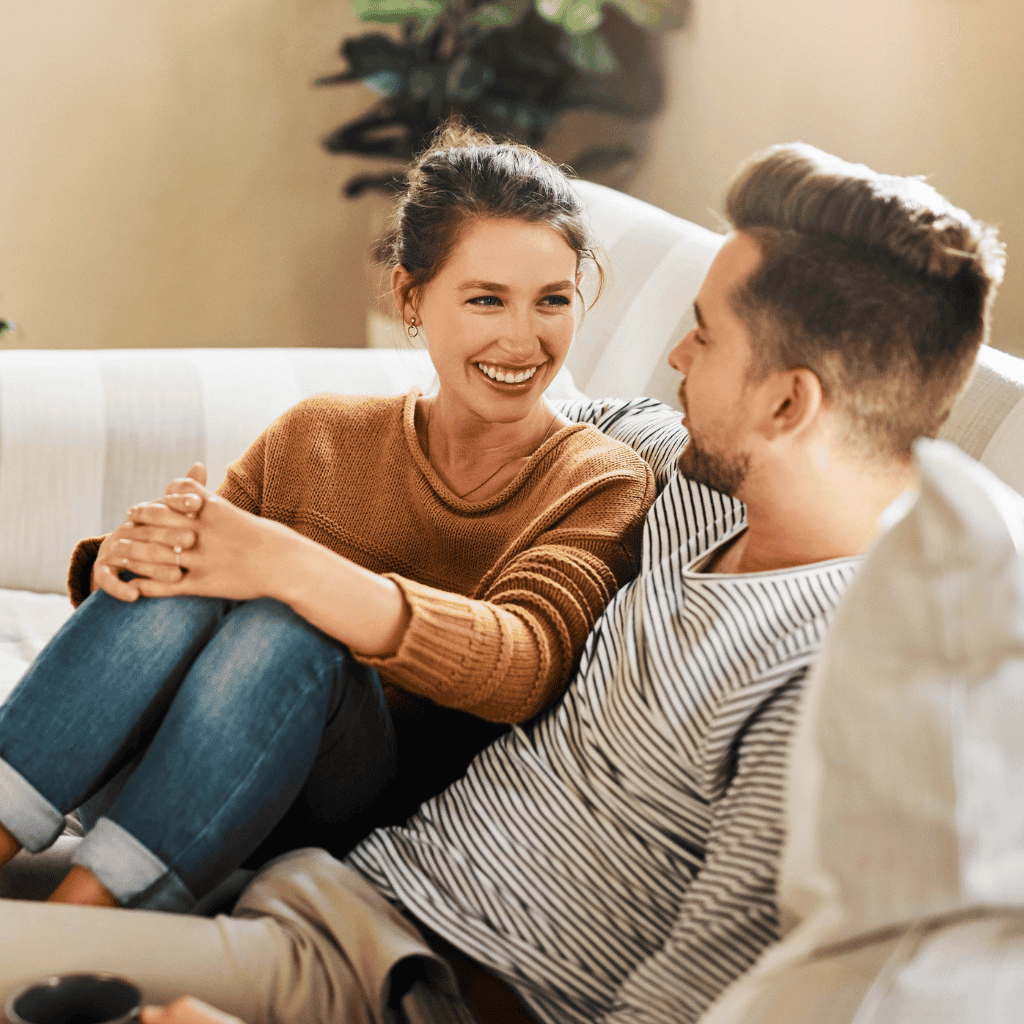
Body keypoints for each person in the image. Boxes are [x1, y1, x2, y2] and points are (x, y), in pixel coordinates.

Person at [0, 142, 1005, 1024]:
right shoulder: (684, 488)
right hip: (326, 882)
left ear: (788, 401)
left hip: (388, 972)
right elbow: (514, 403)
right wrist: (150, 547)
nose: (671, 352)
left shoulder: (826, 682)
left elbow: (682, 997)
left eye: (703, 333)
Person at [0, 125, 655, 914]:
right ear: (411, 297)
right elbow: (196, 583)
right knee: (203, 555)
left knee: (292, 626)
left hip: (337, 808)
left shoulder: (596, 479)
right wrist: (125, 559)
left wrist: (288, 568)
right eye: (486, 299)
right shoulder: (320, 433)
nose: (523, 338)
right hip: (154, 777)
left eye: (552, 301)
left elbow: (523, 664)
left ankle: (71, 932)